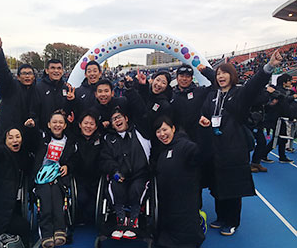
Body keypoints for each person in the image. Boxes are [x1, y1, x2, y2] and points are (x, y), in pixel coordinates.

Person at [199, 49, 282, 236]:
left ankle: (232, 221)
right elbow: (205, 114)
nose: (221, 77)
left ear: (232, 75)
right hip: (215, 148)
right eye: (218, 74)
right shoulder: (213, 95)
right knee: (218, 185)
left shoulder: (240, 94)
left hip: (234, 149)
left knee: (233, 187)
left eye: (224, 73)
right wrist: (203, 119)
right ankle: (221, 217)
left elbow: (254, 85)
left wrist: (268, 67)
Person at [100, 107, 151, 240]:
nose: (117, 121)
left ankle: (134, 221)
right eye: (113, 119)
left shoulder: (140, 132)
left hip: (139, 174)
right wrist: (115, 172)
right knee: (115, 186)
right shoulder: (108, 139)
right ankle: (120, 221)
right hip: (119, 175)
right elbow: (105, 159)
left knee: (136, 188)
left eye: (119, 117)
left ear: (126, 118)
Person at [154, 116, 205, 248]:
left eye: (165, 129)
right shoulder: (162, 150)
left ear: (173, 128)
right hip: (168, 203)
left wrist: (205, 132)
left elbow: (200, 154)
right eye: (158, 131)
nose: (162, 134)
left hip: (185, 203)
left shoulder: (185, 146)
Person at [32, 110, 76, 248]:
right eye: (54, 122)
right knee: (45, 199)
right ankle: (46, 233)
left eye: (60, 122)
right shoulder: (43, 139)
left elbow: (74, 160)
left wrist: (68, 166)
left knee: (57, 199)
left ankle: (60, 229)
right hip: (42, 177)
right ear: (49, 125)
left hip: (59, 178)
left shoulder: (69, 142)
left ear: (65, 125)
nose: (57, 125)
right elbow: (30, 140)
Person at [0, 36, 36, 143]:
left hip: (26, 135)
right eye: (23, 73)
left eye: (29, 73)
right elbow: (2, 72)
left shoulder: (37, 90)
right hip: (7, 135)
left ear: (34, 76)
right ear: (18, 77)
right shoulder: (11, 87)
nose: (27, 76)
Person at [26, 59, 74, 132]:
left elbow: (69, 112)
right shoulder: (39, 88)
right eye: (53, 68)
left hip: (62, 133)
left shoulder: (66, 88)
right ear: (47, 71)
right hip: (44, 133)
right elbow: (34, 111)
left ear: (62, 71)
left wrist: (71, 101)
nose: (56, 71)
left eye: (59, 68)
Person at [71, 110, 102, 225]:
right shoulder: (74, 140)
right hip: (80, 181)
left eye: (91, 124)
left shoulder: (101, 140)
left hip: (96, 181)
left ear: (96, 127)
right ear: (79, 124)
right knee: (82, 199)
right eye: (85, 123)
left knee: (92, 211)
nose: (88, 126)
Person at [262, 73, 295, 164]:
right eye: (289, 80)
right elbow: (284, 104)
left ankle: (282, 156)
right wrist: (293, 97)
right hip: (275, 117)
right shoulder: (279, 91)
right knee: (277, 138)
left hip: (276, 117)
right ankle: (264, 154)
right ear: (284, 82)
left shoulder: (278, 90)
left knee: (281, 137)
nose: (291, 82)